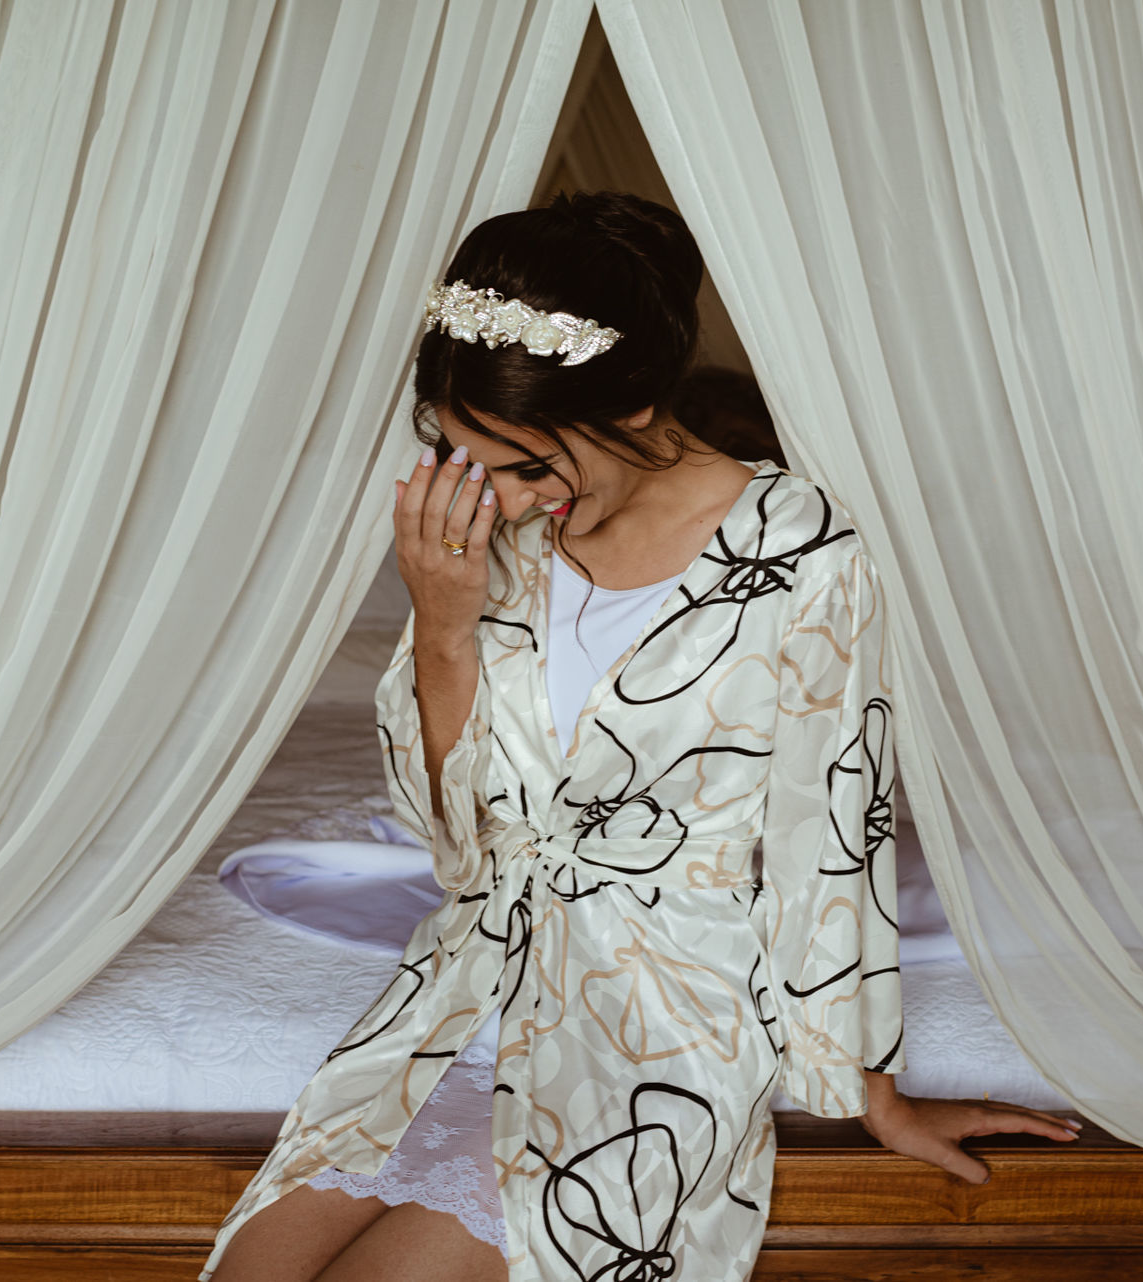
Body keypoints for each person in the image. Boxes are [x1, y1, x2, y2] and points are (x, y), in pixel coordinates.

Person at [202, 191, 1079, 1282]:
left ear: (634, 402)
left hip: (662, 1015)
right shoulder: (492, 543)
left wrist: (874, 1094)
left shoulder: (800, 551)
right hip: (470, 982)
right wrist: (441, 621)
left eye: (532, 466)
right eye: (471, 461)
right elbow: (462, 850)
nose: (508, 503)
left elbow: (830, 838)